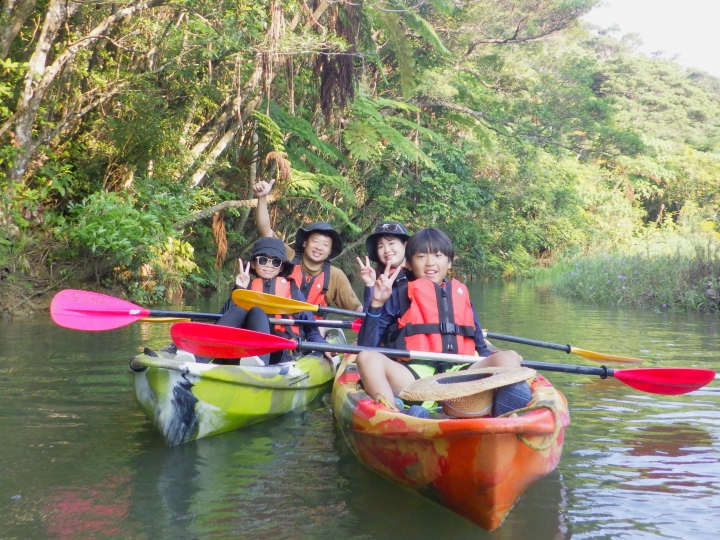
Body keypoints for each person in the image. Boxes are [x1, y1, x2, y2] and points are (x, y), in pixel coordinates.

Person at [356, 227, 526, 414]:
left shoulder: (460, 295)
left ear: (450, 261)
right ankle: (396, 412)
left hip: (461, 374)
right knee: (367, 358)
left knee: (509, 357)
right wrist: (377, 303)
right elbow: (367, 346)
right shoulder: (398, 294)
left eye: (438, 255)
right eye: (421, 257)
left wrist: (503, 367)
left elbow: (481, 346)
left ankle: (503, 417)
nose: (430, 263)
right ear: (410, 264)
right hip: (412, 377)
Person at [253, 179, 363, 317]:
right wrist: (262, 197)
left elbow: (356, 308)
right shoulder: (289, 257)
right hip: (282, 325)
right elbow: (266, 231)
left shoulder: (336, 276)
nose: (319, 248)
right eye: (315, 241)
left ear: (329, 251)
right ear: (305, 243)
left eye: (325, 245)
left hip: (313, 332)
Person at [218, 237, 330, 365]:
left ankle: (260, 365)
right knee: (237, 310)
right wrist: (238, 288)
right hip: (244, 349)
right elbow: (222, 320)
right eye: (263, 260)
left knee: (257, 311)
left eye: (275, 262)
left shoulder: (294, 293)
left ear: (281, 267)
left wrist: (324, 346)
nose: (269, 266)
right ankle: (200, 358)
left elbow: (312, 331)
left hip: (280, 350)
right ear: (253, 264)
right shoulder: (245, 289)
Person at [356, 221, 411, 311]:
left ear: (405, 245)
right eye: (380, 246)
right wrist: (370, 284)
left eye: (391, 243)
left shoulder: (419, 273)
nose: (387, 250)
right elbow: (369, 320)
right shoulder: (378, 279)